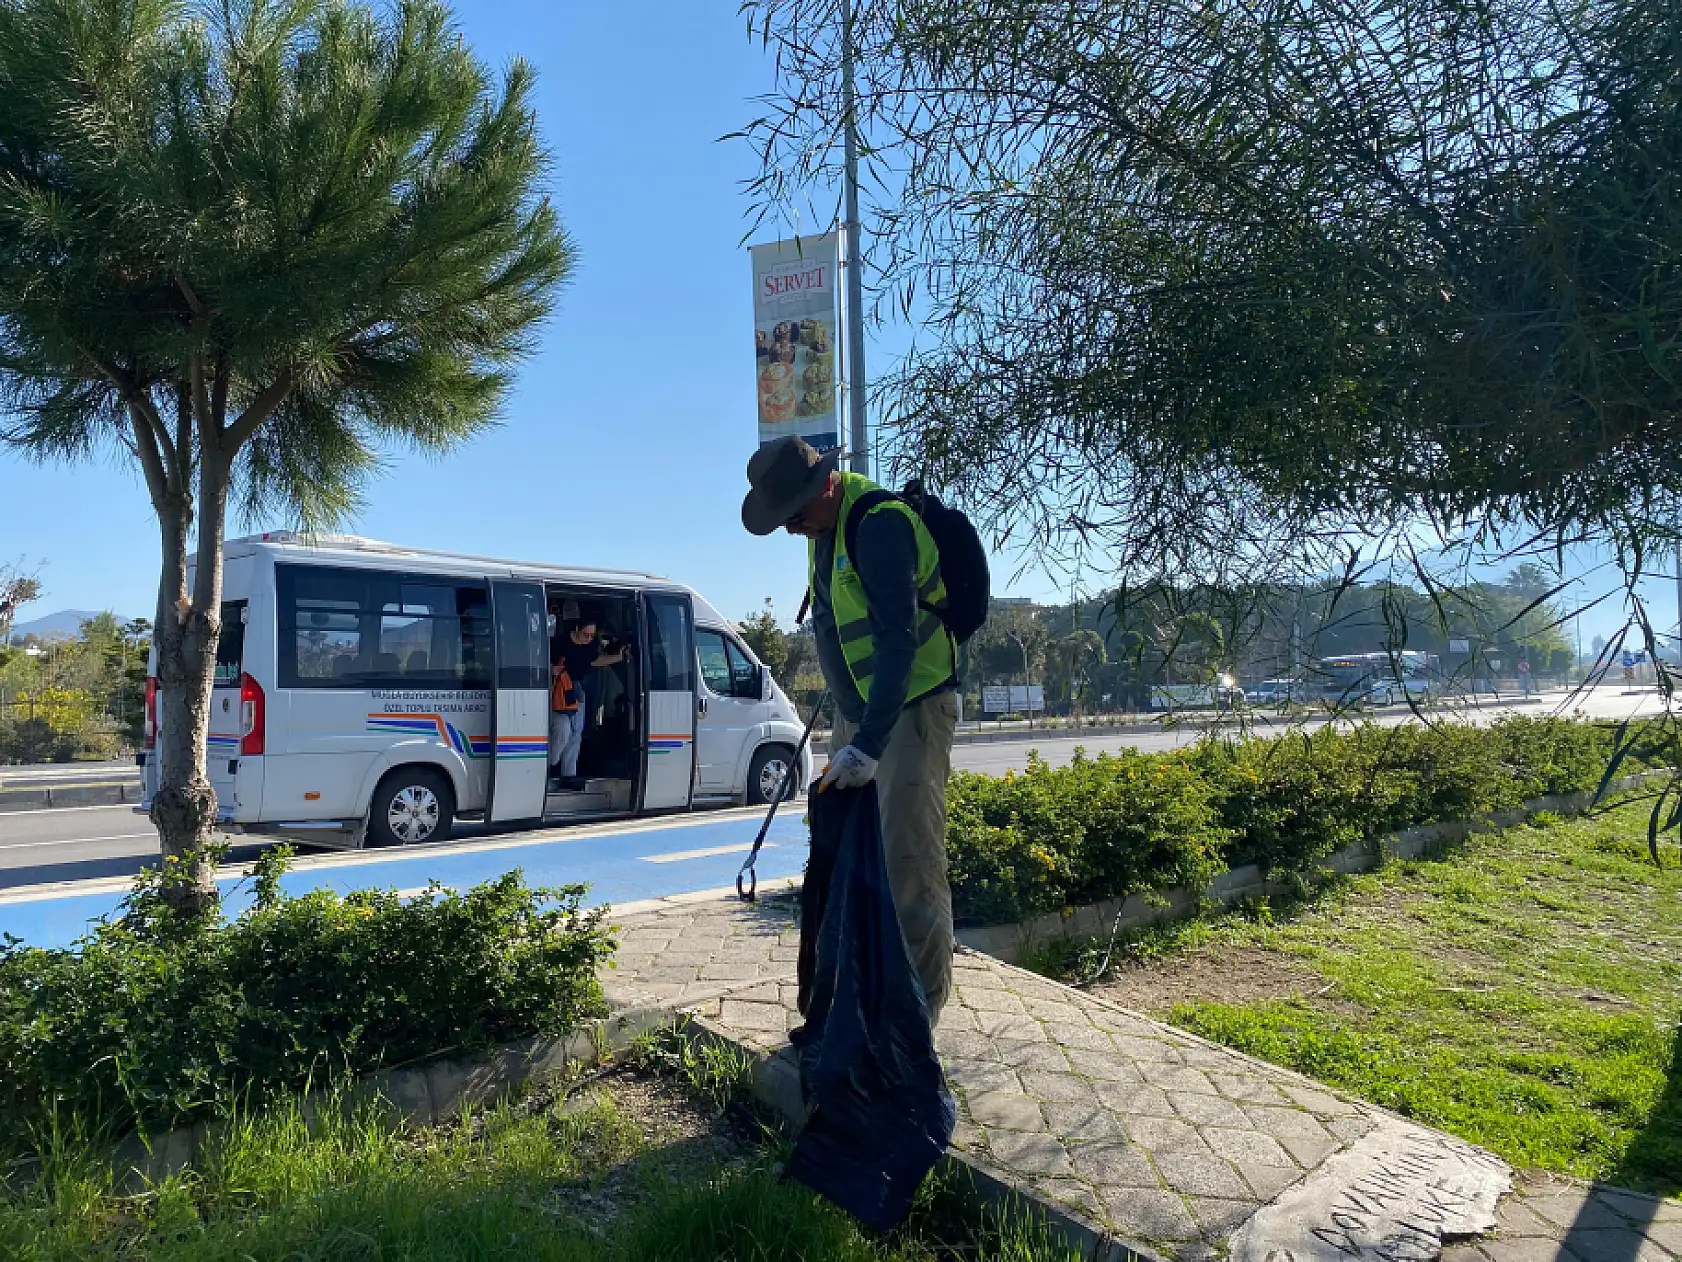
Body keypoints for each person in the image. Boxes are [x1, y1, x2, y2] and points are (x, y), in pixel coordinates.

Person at [742, 436, 960, 1024]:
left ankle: (915, 1033)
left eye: (793, 516)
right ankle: (859, 1010)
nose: (790, 529)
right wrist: (846, 721)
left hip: (911, 711)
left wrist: (868, 743)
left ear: (826, 487)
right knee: (845, 863)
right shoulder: (824, 531)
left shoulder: (880, 525)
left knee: (907, 867)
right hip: (859, 717)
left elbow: (897, 642)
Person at [550, 617, 628, 790]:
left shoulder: (589, 646)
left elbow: (594, 661)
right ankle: (551, 765)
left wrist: (617, 658)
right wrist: (551, 669)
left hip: (577, 693)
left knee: (576, 735)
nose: (588, 639)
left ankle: (569, 775)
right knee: (563, 730)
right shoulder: (558, 643)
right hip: (558, 693)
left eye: (592, 636)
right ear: (577, 628)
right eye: (586, 634)